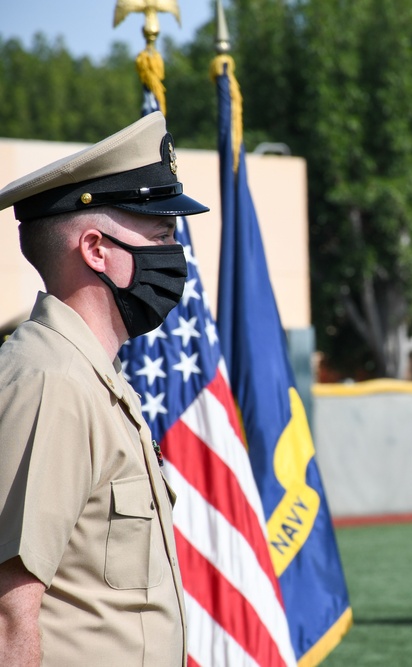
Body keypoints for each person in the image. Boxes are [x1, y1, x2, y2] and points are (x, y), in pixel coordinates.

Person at [0, 112, 208, 665]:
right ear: (95, 249)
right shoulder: (52, 382)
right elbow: (8, 611)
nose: (173, 253)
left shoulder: (94, 376)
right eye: (161, 234)